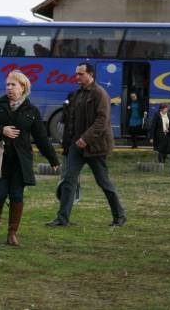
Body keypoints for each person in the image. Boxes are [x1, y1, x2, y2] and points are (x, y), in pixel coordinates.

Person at [0, 70, 59, 246]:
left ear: (23, 87)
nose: (9, 88)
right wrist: (1, 130)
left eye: (13, 85)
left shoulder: (31, 110)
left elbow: (41, 137)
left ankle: (12, 233)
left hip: (21, 161)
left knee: (17, 196)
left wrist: (53, 159)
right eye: (7, 84)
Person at [46, 62, 126, 227]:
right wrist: (68, 144)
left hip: (95, 147)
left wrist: (85, 139)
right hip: (76, 146)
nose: (77, 77)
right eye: (76, 74)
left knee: (103, 182)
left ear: (90, 74)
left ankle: (119, 216)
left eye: (80, 74)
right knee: (68, 180)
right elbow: (71, 120)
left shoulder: (100, 94)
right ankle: (62, 218)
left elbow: (102, 121)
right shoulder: (77, 94)